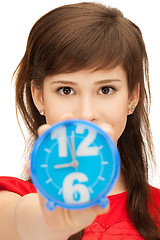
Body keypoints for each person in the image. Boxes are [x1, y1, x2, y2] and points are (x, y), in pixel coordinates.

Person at [0, 2, 160, 240]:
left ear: (132, 96)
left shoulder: (156, 208)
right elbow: (19, 221)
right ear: (39, 97)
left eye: (106, 89)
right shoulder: (12, 197)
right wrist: (48, 222)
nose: (86, 114)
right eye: (66, 90)